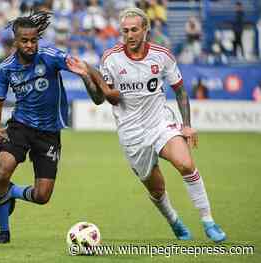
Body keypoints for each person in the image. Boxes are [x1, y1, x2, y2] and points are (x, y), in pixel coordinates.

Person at [79, 7, 226, 242]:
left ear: (145, 29)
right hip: (131, 133)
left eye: (134, 30)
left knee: (185, 164)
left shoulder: (162, 55)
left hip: (160, 122)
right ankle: (174, 221)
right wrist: (87, 77)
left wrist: (186, 125)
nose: (129, 35)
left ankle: (209, 221)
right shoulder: (111, 58)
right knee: (156, 189)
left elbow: (180, 91)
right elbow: (100, 98)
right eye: (125, 30)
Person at [0, 10, 96, 244]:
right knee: (2, 169)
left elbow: (76, 64)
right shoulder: (5, 69)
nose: (30, 45)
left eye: (33, 40)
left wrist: (83, 72)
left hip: (49, 133)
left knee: (42, 196)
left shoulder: (50, 56)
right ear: (15, 41)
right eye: (24, 41)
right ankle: (3, 231)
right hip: (21, 126)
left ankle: (12, 192)